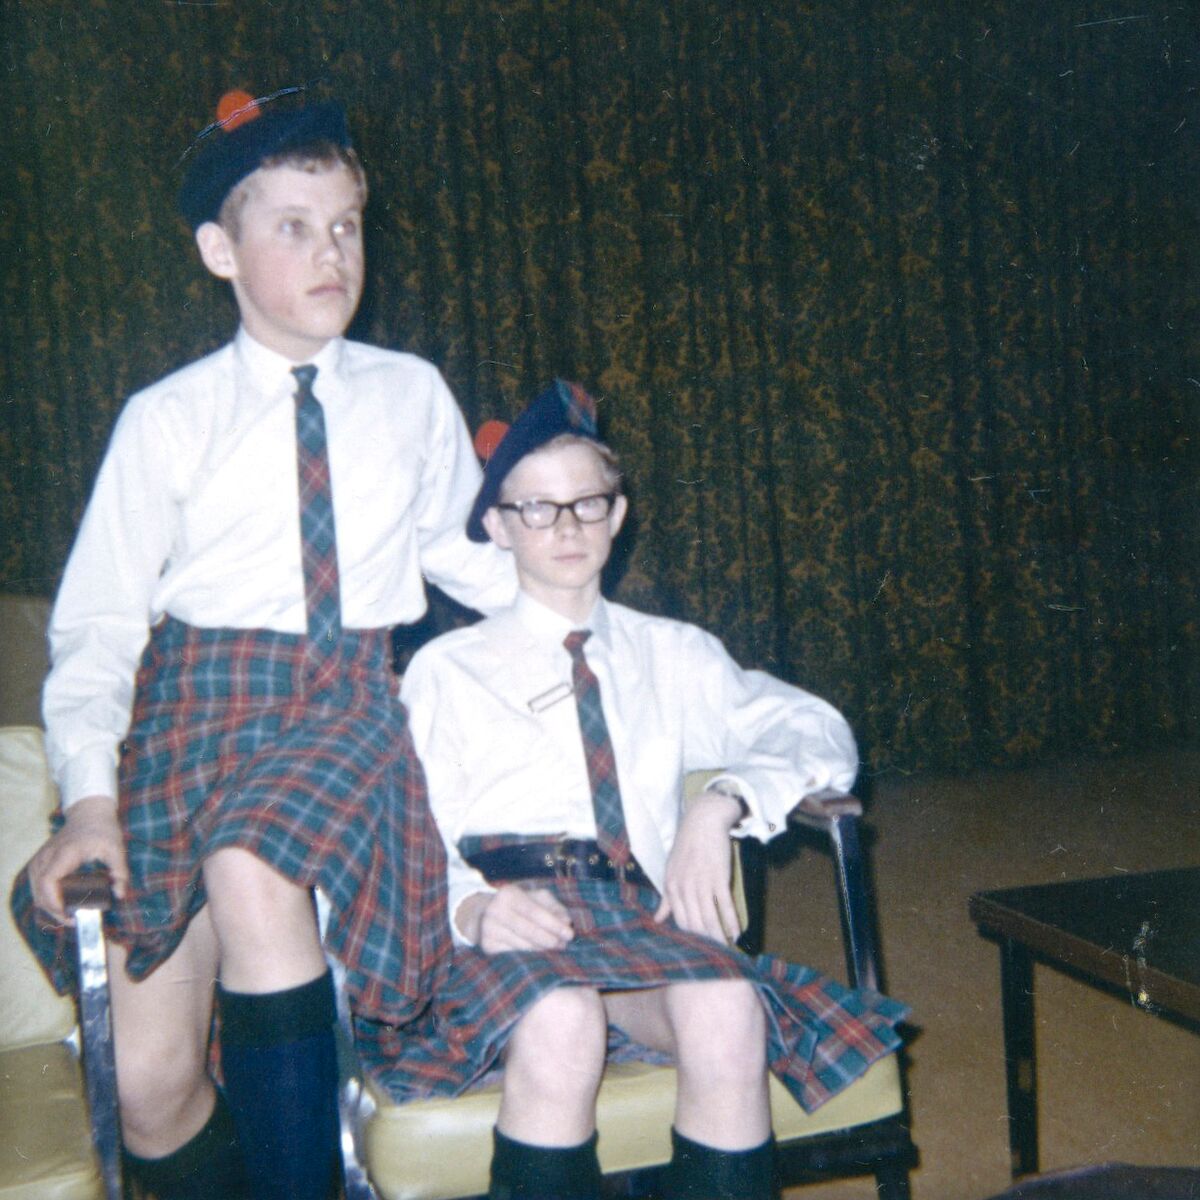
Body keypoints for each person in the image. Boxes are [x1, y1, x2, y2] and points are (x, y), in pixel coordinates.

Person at [10, 89, 515, 1200]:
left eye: (346, 225)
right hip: (187, 720)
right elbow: (96, 629)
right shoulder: (167, 418)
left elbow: (468, 558)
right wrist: (90, 801)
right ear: (219, 251)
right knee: (148, 1089)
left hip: (343, 706)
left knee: (251, 861)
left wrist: (581, 604)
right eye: (293, 226)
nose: (332, 252)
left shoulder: (411, 394)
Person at [380, 380, 909, 1200]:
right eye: (537, 509)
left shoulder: (676, 654)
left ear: (618, 514)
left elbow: (819, 732)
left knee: (729, 1007)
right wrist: (473, 908)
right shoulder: (447, 671)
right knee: (562, 1016)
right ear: (497, 527)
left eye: (587, 504)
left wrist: (721, 801)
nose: (566, 528)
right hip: (506, 928)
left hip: (635, 918)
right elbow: (404, 834)